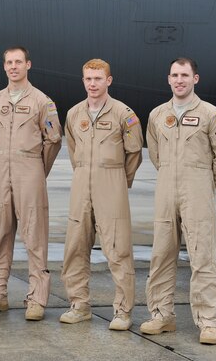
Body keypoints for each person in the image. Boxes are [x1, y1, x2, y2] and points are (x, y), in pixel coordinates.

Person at [140, 57, 216, 345]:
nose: (179, 80)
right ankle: (161, 315)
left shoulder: (211, 114)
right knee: (161, 255)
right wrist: (171, 174)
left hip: (197, 191)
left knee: (202, 257)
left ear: (195, 79)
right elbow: (155, 154)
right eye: (174, 75)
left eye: (184, 75)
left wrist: (208, 183)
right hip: (166, 190)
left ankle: (208, 322)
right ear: (168, 79)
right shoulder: (158, 115)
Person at [0, 46, 62, 321]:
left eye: (18, 62)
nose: (14, 67)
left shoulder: (42, 101)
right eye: (9, 63)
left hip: (30, 171)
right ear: (4, 67)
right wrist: (2, 162)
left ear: (28, 65)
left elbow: (54, 139)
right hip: (1, 171)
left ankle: (36, 299)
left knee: (34, 237)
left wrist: (36, 168)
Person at [59, 59, 143, 330]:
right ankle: (79, 304)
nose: (92, 84)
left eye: (98, 79)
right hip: (81, 183)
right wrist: (85, 173)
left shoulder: (124, 114)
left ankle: (122, 311)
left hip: (112, 184)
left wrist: (118, 180)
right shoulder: (74, 114)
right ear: (83, 80)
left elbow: (134, 153)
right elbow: (73, 150)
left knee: (118, 250)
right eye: (88, 79)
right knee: (75, 247)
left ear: (108, 80)